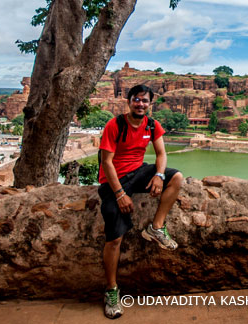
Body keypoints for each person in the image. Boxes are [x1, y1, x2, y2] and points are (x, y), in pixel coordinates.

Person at [97, 84, 183, 319]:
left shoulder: (152, 125)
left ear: (149, 104)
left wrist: (159, 175)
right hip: (114, 181)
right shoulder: (115, 125)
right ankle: (111, 289)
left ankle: (156, 227)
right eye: (136, 99)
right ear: (129, 101)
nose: (140, 104)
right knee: (114, 239)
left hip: (138, 173)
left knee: (176, 178)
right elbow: (106, 162)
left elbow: (161, 154)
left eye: (145, 101)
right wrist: (119, 194)